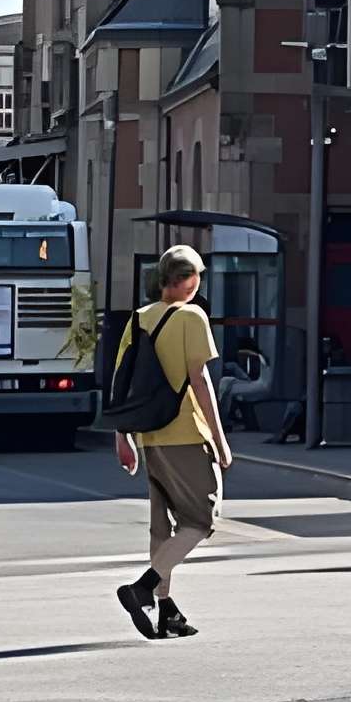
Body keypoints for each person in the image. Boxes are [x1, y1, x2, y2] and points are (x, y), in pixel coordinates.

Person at [111, 243, 233, 638]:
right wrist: (219, 437)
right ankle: (143, 588)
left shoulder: (139, 319)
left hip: (150, 435)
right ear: (189, 280)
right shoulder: (192, 316)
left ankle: (167, 612)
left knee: (162, 527)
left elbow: (124, 383)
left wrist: (122, 436)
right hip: (185, 433)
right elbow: (200, 381)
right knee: (201, 518)